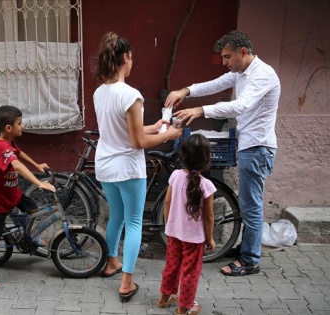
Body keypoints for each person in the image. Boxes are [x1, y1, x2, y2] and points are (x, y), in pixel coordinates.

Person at [165, 30, 280, 276]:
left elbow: (242, 105)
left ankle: (250, 261)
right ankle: (246, 249)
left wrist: (201, 110)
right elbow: (215, 84)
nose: (225, 62)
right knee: (249, 204)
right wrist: (186, 91)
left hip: (258, 147)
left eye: (228, 57)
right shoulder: (240, 73)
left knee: (251, 206)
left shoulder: (263, 74)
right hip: (249, 144)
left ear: (243, 52)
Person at [93, 32, 182, 302]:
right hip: (129, 169)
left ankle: (110, 262)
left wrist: (153, 126)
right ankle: (126, 283)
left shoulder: (100, 92)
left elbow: (120, 129)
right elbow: (138, 141)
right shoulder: (131, 95)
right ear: (125, 58)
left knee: (116, 218)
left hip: (106, 166)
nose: (133, 63)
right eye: (132, 58)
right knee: (133, 222)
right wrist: (167, 135)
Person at [0, 105, 55, 291]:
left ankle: (26, 237)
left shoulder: (9, 141)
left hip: (12, 194)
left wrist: (37, 165)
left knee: (32, 208)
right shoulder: (0, 147)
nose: (22, 126)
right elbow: (16, 165)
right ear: (9, 128)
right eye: (19, 123)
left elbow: (19, 154)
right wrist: (39, 183)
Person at [156, 134, 216, 315]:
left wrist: (169, 225)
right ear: (206, 159)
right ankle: (184, 308)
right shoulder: (207, 185)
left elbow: (166, 203)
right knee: (190, 272)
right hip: (194, 239)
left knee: (172, 265)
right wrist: (210, 238)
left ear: (183, 156)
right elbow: (209, 216)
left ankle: (163, 299)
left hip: (174, 233)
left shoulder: (174, 176)